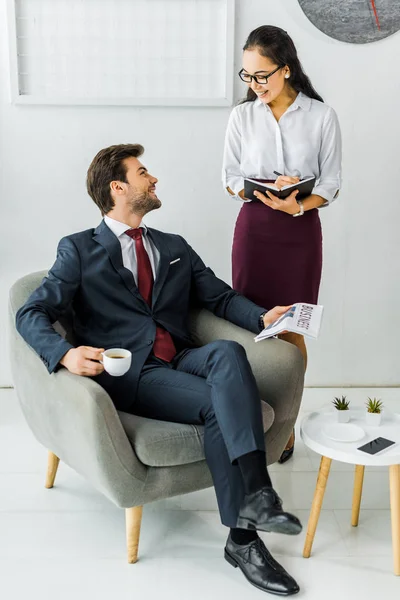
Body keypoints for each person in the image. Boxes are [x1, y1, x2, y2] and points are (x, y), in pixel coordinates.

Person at [16, 144, 303, 596]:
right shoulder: (78, 249)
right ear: (118, 187)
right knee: (216, 405)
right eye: (143, 172)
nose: (154, 179)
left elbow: (220, 298)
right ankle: (244, 538)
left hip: (182, 356)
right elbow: (31, 312)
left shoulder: (172, 247)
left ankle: (257, 497)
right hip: (134, 374)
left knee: (228, 353)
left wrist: (264, 319)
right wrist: (65, 354)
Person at [222, 25, 342, 463]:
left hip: (299, 231)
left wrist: (297, 203)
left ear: (286, 69)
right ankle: (256, 419)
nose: (255, 86)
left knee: (292, 327)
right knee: (252, 324)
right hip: (254, 230)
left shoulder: (321, 116)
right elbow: (230, 178)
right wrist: (261, 189)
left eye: (263, 75)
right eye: (248, 76)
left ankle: (285, 425)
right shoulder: (242, 116)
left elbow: (331, 183)